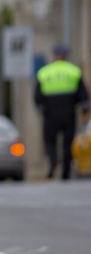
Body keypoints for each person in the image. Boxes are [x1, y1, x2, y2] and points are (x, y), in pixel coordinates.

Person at [35, 45, 90, 180]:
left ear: (54, 56)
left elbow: (37, 95)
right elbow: (83, 95)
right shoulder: (73, 71)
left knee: (49, 141)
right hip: (68, 113)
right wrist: (85, 110)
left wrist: (41, 108)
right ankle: (65, 173)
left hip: (51, 114)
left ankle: (53, 160)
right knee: (68, 143)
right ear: (65, 56)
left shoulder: (45, 72)